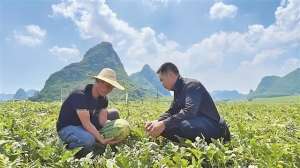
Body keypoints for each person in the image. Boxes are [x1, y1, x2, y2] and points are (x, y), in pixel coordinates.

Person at [145, 62, 230, 143]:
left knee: (182, 125)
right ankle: (190, 143)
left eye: (162, 80)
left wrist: (163, 124)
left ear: (170, 75)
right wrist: (157, 122)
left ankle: (206, 143)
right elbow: (172, 111)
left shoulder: (192, 85)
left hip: (214, 127)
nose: (162, 83)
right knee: (164, 127)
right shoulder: (178, 90)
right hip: (198, 123)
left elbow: (189, 111)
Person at [56, 68, 125, 158]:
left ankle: (94, 139)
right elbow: (87, 124)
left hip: (85, 122)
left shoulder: (104, 99)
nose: (108, 90)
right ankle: (69, 148)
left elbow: (103, 121)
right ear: (98, 81)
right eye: (107, 85)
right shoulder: (80, 95)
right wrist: (101, 139)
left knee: (114, 113)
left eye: (111, 87)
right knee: (89, 140)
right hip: (68, 127)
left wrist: (114, 128)